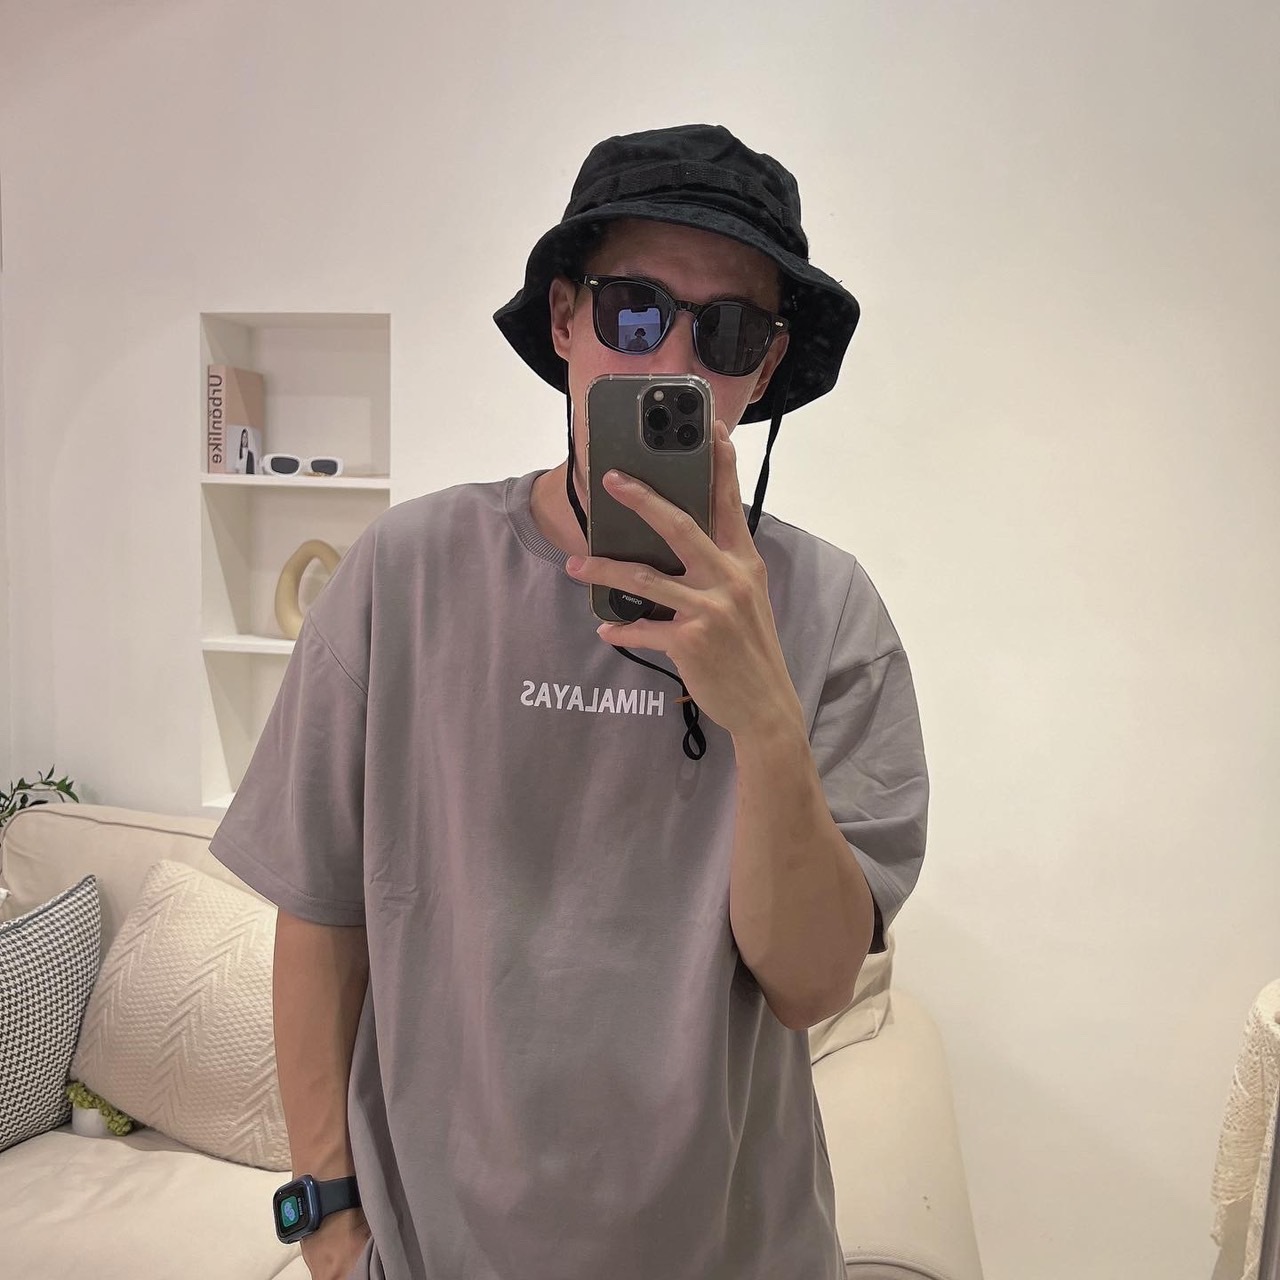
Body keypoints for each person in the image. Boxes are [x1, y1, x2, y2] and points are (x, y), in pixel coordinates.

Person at [210, 123, 929, 1280]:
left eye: (727, 330)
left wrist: (762, 714)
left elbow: (808, 983)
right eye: (632, 309)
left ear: (763, 367)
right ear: (562, 319)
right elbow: (321, 910)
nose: (672, 357)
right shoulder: (405, 573)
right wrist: (330, 1223)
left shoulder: (829, 611)